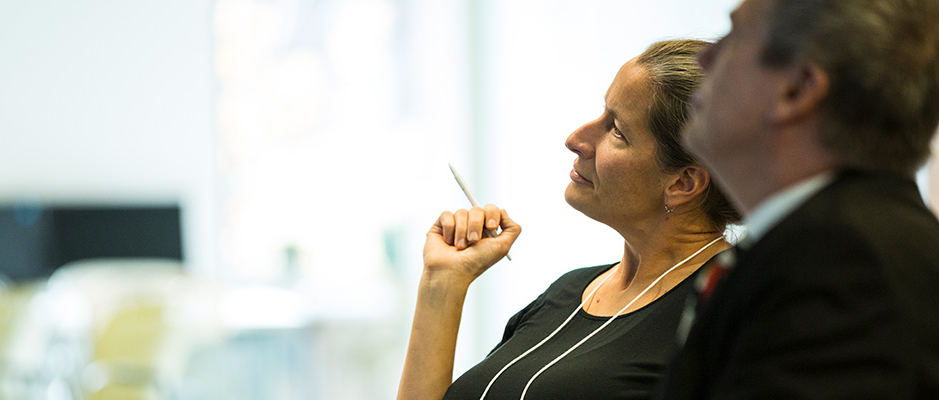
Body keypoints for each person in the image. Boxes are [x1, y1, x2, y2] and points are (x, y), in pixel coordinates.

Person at [397, 39, 740, 400]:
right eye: (602, 113)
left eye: (616, 130)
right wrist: (442, 283)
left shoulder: (723, 310)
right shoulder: (567, 292)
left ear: (683, 183)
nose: (576, 139)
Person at [656, 0, 939, 399]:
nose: (705, 57)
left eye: (734, 36)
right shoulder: (818, 243)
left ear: (796, 89)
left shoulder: (843, 262)